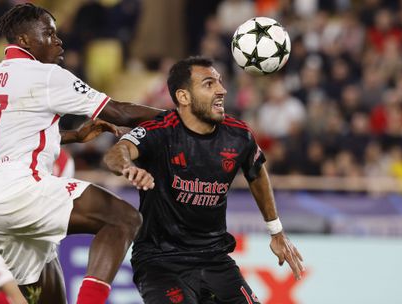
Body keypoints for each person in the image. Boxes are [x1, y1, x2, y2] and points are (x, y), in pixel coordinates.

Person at [0, 3, 161, 304]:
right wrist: (178, 117)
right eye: (48, 33)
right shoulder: (46, 74)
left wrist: (74, 135)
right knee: (124, 219)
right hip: (23, 190)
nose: (58, 40)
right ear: (24, 40)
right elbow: (120, 113)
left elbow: (16, 135)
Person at [103, 56, 304, 303]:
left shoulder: (239, 136)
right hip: (161, 261)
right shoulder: (161, 131)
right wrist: (128, 167)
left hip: (215, 259)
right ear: (184, 97)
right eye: (209, 84)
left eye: (219, 82)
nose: (222, 90)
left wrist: (276, 231)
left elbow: (257, 172)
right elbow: (116, 153)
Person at [0, 148, 74, 304]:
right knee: (23, 300)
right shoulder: (4, 147)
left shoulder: (64, 162)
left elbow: (59, 204)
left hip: (31, 244)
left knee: (28, 299)